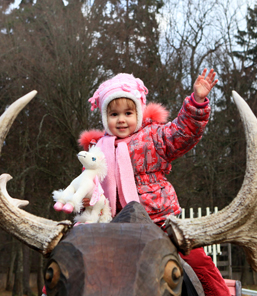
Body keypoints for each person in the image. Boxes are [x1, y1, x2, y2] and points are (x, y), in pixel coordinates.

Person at [78, 70, 230, 296]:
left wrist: (197, 102)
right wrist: (87, 201)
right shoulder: (97, 151)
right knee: (73, 258)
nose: (121, 119)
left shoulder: (153, 137)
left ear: (138, 114)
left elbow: (182, 132)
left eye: (128, 113)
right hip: (113, 227)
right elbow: (88, 186)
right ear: (104, 117)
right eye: (114, 114)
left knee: (199, 263)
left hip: (159, 223)